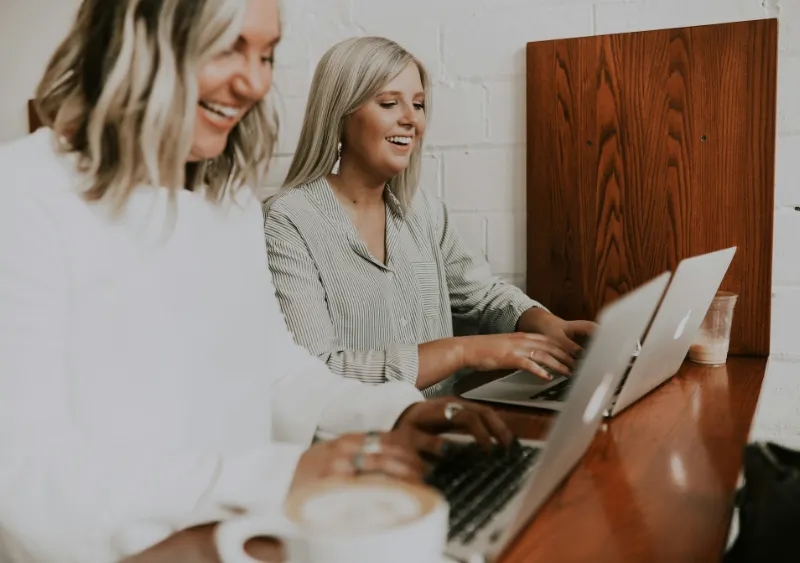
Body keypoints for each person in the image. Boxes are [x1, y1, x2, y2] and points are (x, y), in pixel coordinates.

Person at [0, 4, 511, 562]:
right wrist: (279, 476)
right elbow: (25, 474)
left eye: (266, 55)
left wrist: (393, 412)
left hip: (243, 539)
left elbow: (277, 371)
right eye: (227, 47)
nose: (254, 82)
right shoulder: (23, 196)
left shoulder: (228, 202)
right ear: (138, 37)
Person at [263, 36, 597, 396]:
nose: (411, 119)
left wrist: (547, 324)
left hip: (445, 427)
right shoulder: (287, 221)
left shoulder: (423, 211)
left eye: (419, 105)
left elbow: (482, 296)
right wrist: (462, 351)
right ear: (340, 114)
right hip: (361, 444)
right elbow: (318, 372)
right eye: (389, 103)